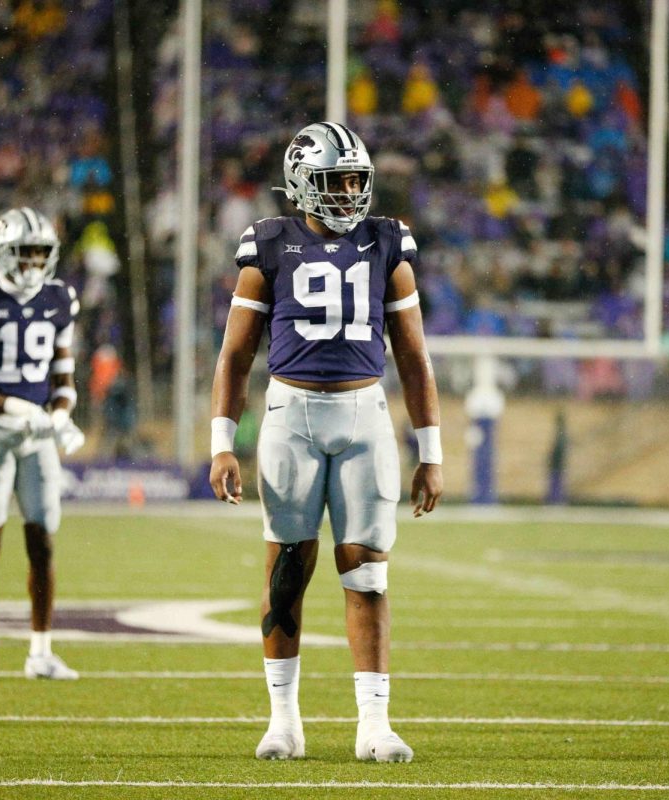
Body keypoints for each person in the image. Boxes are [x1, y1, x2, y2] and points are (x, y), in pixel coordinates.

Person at [209, 121, 443, 762]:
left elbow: (415, 358)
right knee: (287, 569)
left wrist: (432, 451)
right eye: (332, 180)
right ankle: (283, 720)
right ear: (299, 184)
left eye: (354, 180)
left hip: (365, 414)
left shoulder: (387, 242)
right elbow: (235, 355)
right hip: (290, 416)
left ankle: (373, 723)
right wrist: (222, 442)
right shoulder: (269, 244)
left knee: (367, 570)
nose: (346, 193)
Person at [0, 207, 87, 682]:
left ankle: (41, 651)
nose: (31, 263)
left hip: (38, 437)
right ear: (2, 253)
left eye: (39, 253)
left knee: (43, 541)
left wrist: (62, 413)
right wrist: (23, 409)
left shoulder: (60, 298)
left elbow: (64, 376)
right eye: (23, 253)